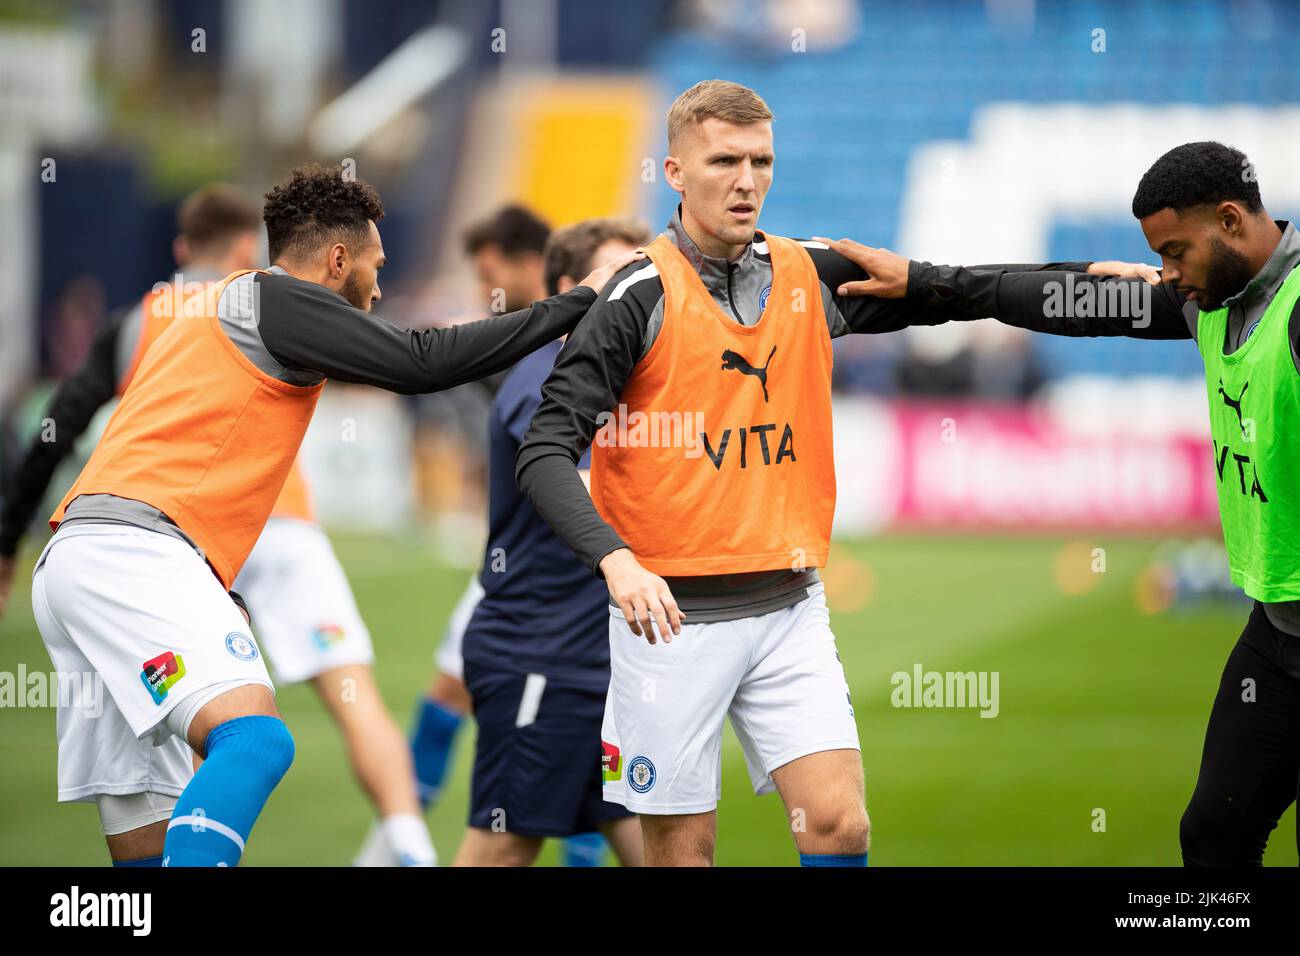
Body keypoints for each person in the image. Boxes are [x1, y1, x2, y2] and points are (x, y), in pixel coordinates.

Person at [515, 80, 1139, 866]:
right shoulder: (635, 297)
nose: (747, 181)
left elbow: (951, 288)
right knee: (683, 856)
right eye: (724, 161)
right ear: (673, 171)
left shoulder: (808, 271)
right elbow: (541, 450)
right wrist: (615, 560)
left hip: (789, 607)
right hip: (670, 624)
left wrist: (1087, 279)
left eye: (761, 161)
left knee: (841, 826)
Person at [27, 163, 640, 866]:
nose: (380, 287)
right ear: (339, 259)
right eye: (376, 266)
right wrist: (578, 302)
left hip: (82, 559)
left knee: (147, 845)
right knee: (256, 739)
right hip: (132, 556)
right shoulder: (277, 297)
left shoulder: (227, 309)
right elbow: (421, 361)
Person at [822, 140, 1300, 867]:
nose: (1166, 275)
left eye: (1176, 252)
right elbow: (1067, 299)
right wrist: (924, 282)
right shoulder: (1212, 295)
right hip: (1276, 632)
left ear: (1231, 220)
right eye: (1160, 260)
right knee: (1213, 836)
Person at [453, 216, 652, 867]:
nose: (642, 292)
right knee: (507, 844)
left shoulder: (619, 375)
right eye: (623, 276)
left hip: (604, 659)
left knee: (662, 843)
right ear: (572, 286)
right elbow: (586, 492)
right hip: (541, 654)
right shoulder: (546, 373)